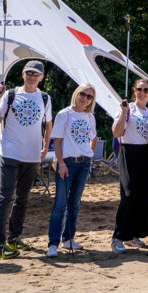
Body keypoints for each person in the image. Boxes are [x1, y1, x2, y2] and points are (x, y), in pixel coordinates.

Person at [0, 60, 52, 259]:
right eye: (29, 73)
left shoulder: (44, 97)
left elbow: (48, 125)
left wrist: (44, 147)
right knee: (4, 197)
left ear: (41, 78)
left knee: (22, 199)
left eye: (36, 74)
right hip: (10, 152)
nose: (32, 76)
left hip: (32, 155)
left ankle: (14, 238)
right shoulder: (10, 94)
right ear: (23, 75)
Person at [46, 84, 98, 257]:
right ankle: (53, 243)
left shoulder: (90, 117)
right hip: (67, 162)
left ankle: (68, 238)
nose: (84, 98)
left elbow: (94, 138)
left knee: (74, 203)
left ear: (92, 100)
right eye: (82, 94)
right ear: (76, 93)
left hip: (83, 163)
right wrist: (60, 163)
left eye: (89, 96)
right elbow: (58, 141)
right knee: (59, 204)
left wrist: (89, 158)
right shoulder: (64, 114)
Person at [110, 78, 148, 253]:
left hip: (147, 154)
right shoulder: (128, 110)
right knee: (128, 194)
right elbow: (117, 132)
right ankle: (118, 236)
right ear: (134, 90)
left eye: (146, 90)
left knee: (143, 195)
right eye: (139, 89)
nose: (142, 93)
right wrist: (123, 113)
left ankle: (132, 235)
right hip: (129, 152)